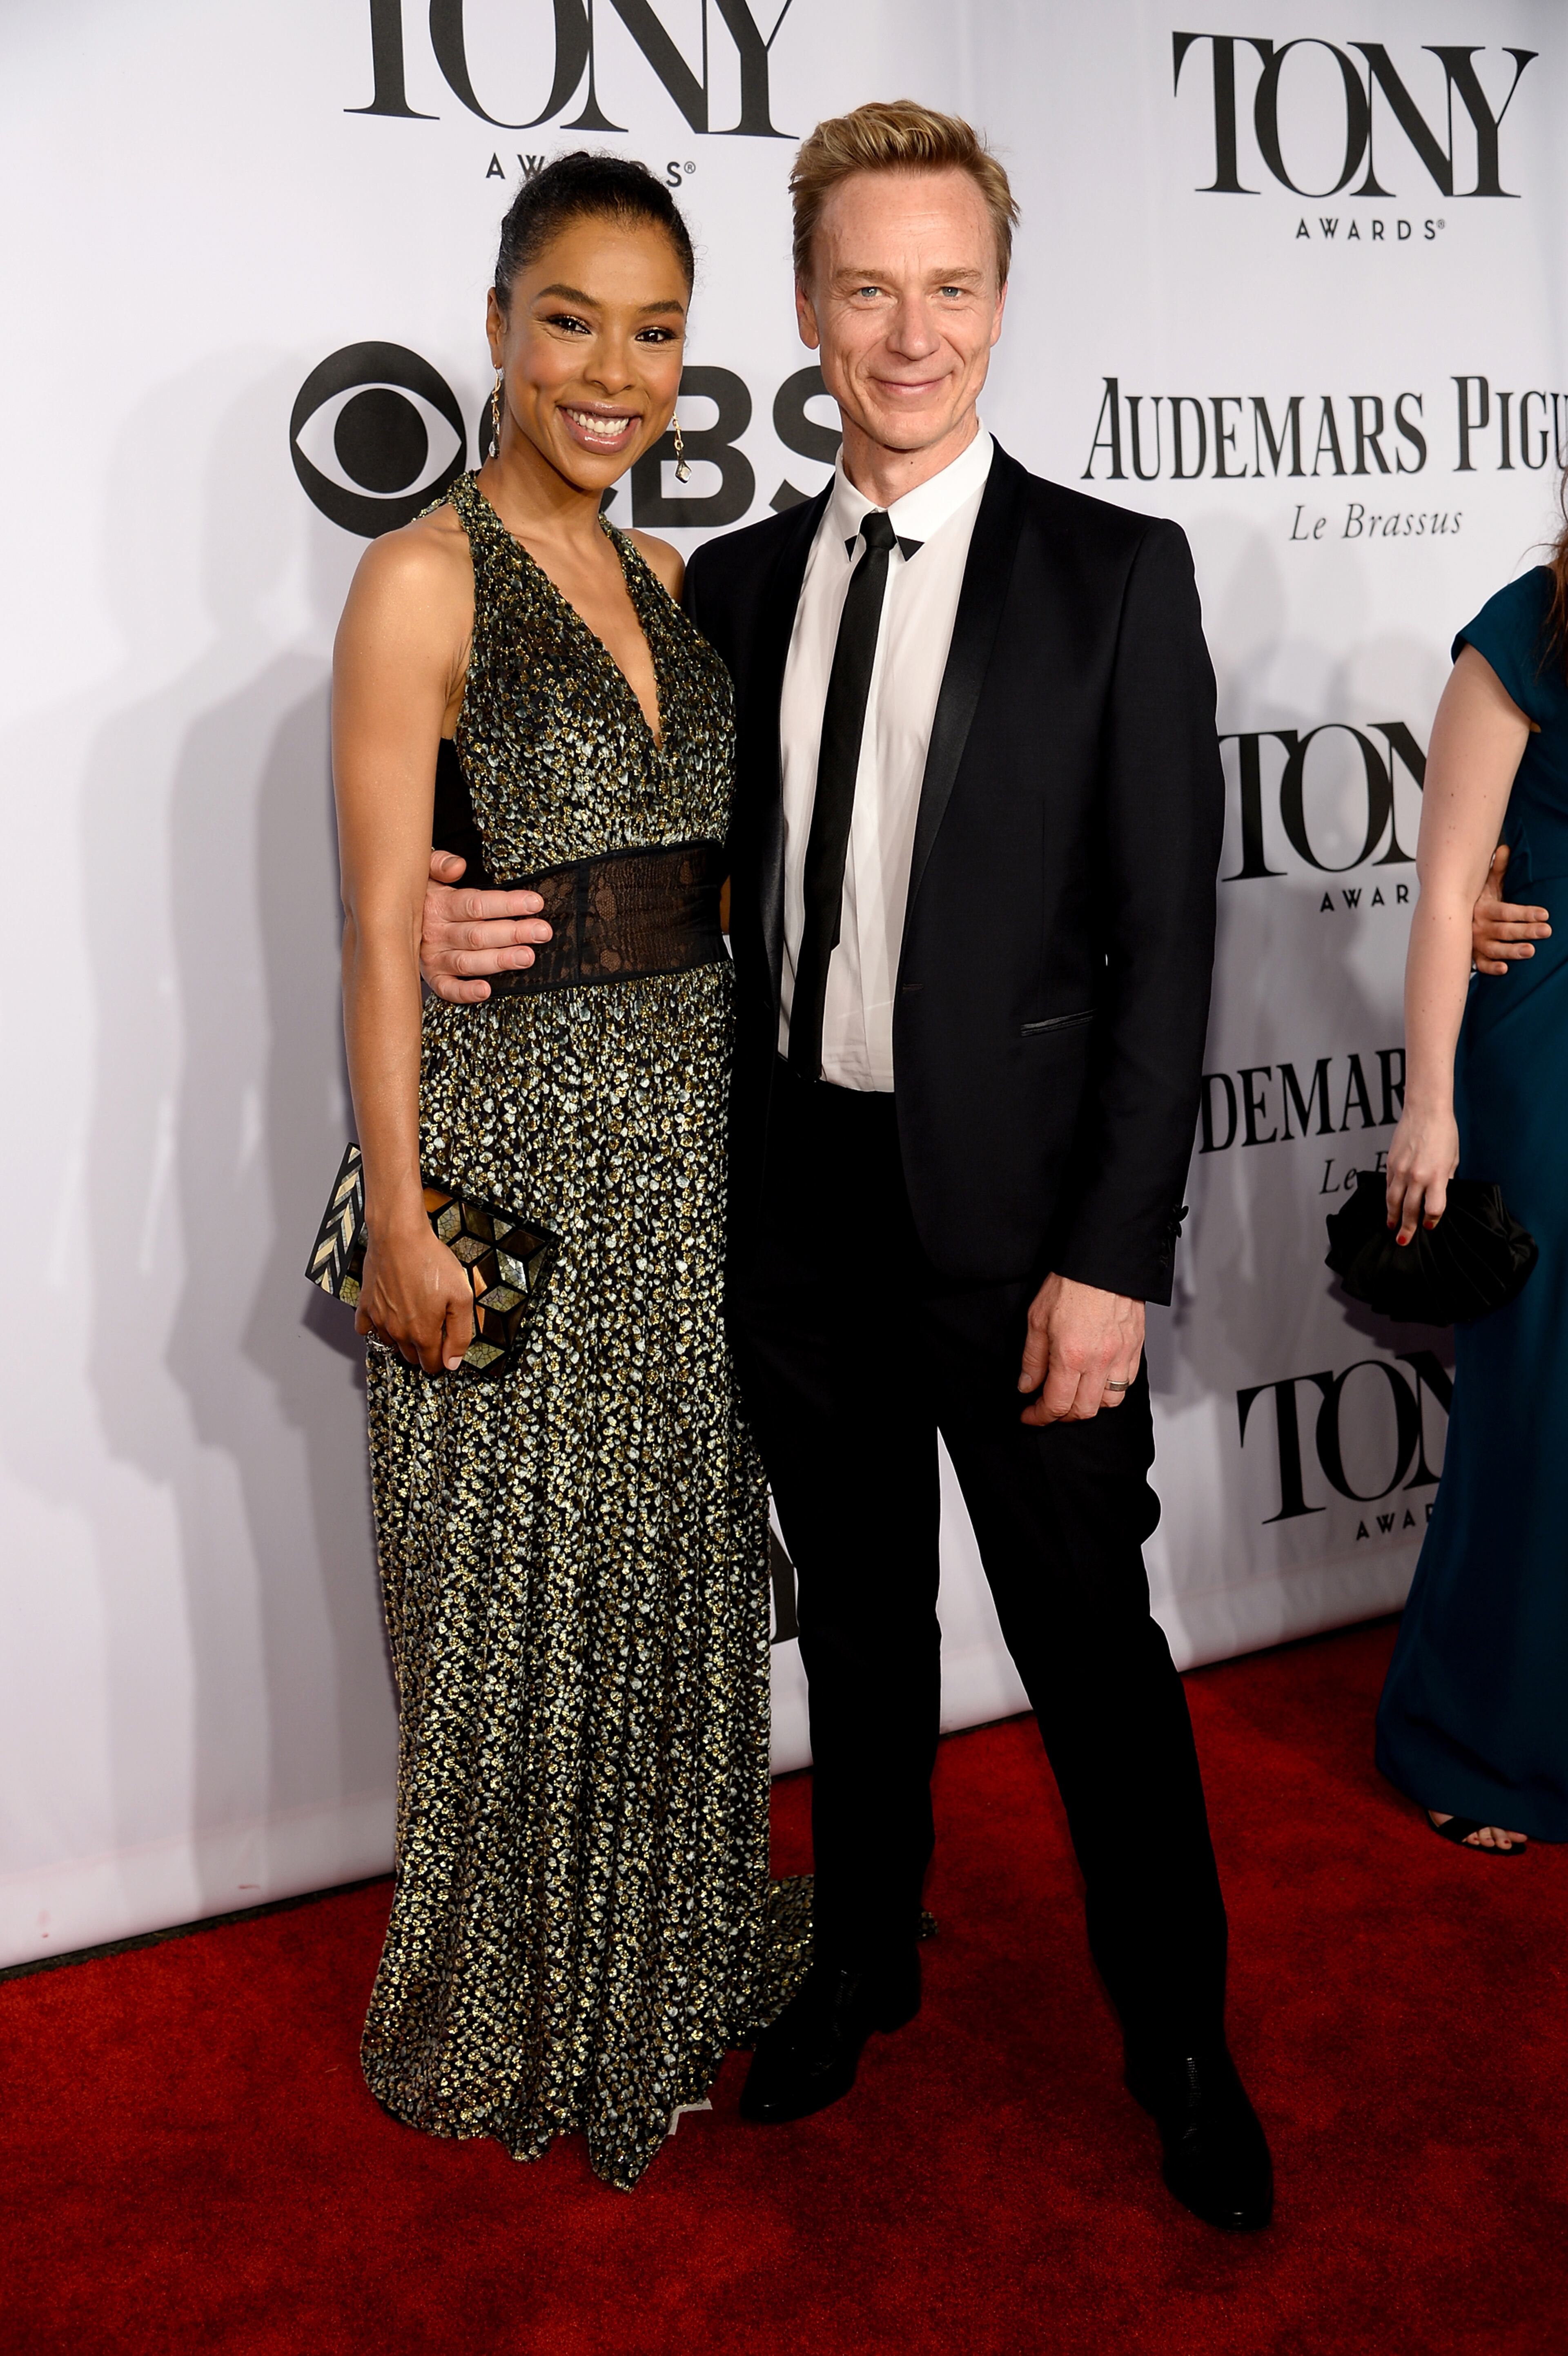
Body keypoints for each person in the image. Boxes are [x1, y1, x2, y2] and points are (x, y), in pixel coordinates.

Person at [422, 102, 1272, 2231]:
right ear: (806, 314)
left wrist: (1113, 1253)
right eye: (869, 289)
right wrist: (451, 909)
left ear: (1002, 302)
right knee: (868, 1634)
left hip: (1028, 1242)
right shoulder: (734, 581)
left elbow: (1175, 944)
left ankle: (1182, 2036)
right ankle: (864, 1962)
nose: (913, 333)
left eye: (954, 287)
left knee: (1092, 1646)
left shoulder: (1116, 574)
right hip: (791, 1207)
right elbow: (626, 839)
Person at [331, 153, 804, 2194]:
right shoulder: (421, 575)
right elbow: (372, 929)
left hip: (696, 1149)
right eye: (574, 320)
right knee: (514, 1591)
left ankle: (672, 1951)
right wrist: (403, 1213)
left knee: (670, 1571)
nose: (616, 371)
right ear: (502, 327)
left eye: (660, 329)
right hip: (518, 1151)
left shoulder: (690, 586)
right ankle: (526, 1988)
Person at [1379, 503, 1568, 1856]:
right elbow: (1450, 892)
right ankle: (1471, 1735)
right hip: (1552, 1058)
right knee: (1539, 1405)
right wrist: (1430, 1108)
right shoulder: (1527, 630)